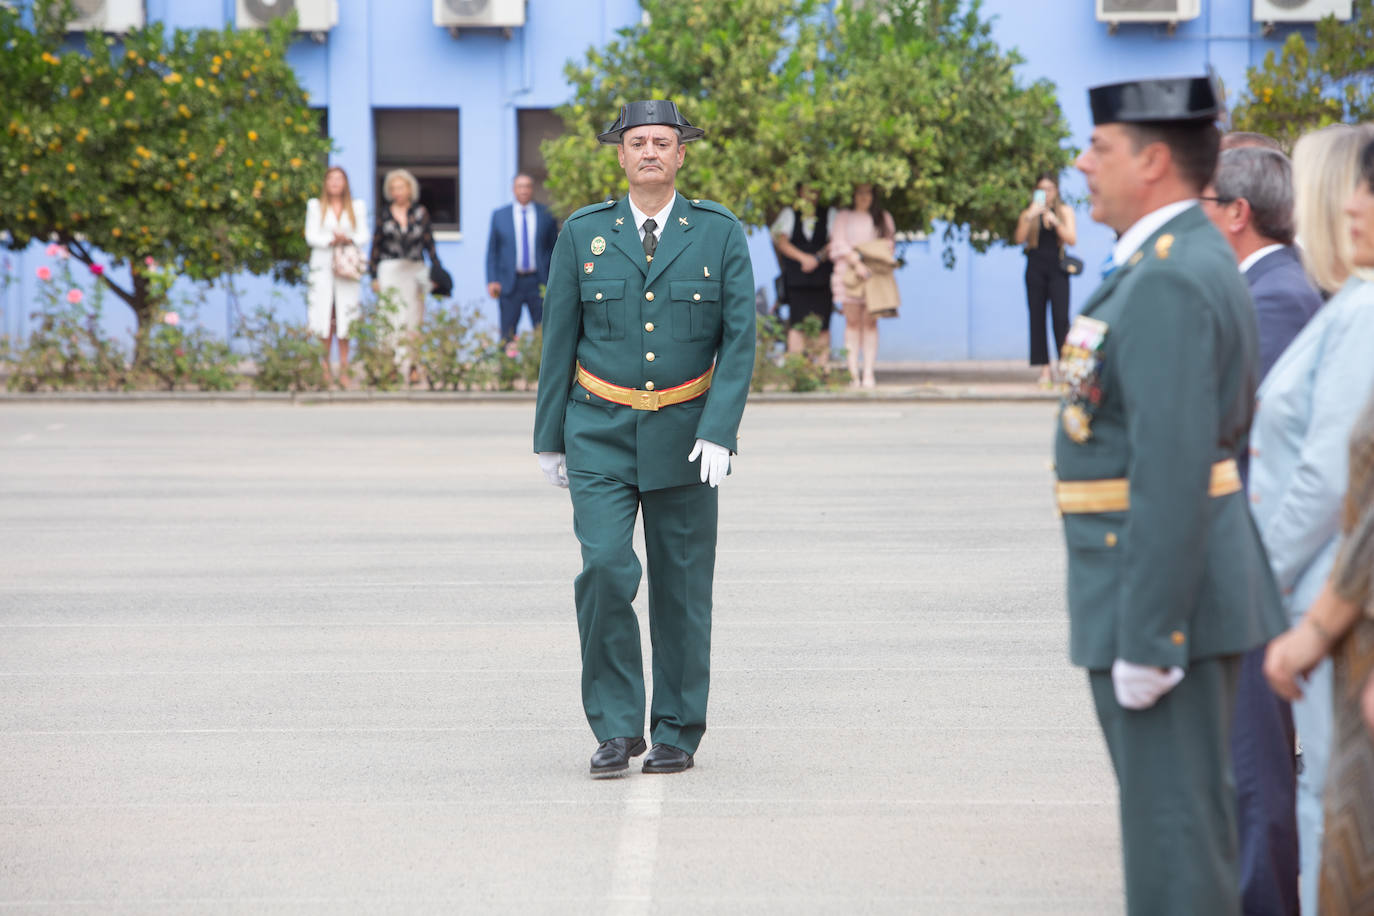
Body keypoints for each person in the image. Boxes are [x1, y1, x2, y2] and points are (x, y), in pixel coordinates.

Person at [1053, 74, 1286, 915]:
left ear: (1152, 161)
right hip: (1149, 591)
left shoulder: (1170, 275)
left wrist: (1152, 636)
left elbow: (1173, 466)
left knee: (1174, 852)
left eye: (1100, 148)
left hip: (1156, 605)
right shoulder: (1172, 258)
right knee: (1178, 836)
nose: (1084, 164)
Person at [532, 100, 754, 779]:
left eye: (663, 141)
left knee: (682, 588)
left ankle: (677, 730)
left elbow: (740, 340)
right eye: (638, 142)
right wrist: (550, 437)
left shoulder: (718, 233)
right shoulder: (583, 233)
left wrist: (720, 430)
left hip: (687, 435)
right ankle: (616, 725)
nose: (651, 151)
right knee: (603, 569)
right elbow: (559, 338)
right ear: (621, 156)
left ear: (681, 154)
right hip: (598, 427)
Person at [1247, 122, 1374, 916]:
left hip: (1326, 600)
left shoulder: (1361, 315)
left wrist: (1253, 578)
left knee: (1336, 811)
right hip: (1323, 594)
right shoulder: (1346, 307)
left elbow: (1330, 476)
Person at [1200, 142, 1318, 916]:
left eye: (1205, 203)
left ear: (1237, 214)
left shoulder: (1274, 295)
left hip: (1258, 568)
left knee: (1257, 768)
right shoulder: (1268, 284)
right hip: (1250, 565)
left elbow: (1248, 446)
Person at [369, 168, 437, 385]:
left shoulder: (420, 213)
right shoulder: (384, 214)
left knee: (413, 319)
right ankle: (390, 367)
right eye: (393, 188)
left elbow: (430, 244)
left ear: (410, 189)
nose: (397, 191)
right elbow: (376, 245)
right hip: (389, 270)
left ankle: (413, 366)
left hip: (414, 270)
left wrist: (436, 272)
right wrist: (373, 276)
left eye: (401, 187)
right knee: (389, 318)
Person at [305, 166, 369, 388]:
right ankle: (324, 367)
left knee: (345, 316)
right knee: (323, 316)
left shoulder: (356, 207)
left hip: (347, 267)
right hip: (323, 266)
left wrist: (347, 238)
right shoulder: (315, 206)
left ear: (345, 183)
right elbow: (311, 235)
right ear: (325, 182)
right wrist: (330, 240)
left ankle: (344, 367)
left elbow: (363, 234)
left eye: (339, 178)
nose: (335, 182)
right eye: (331, 178)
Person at [1014, 172, 1077, 387]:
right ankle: (1044, 370)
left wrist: (1056, 221)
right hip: (1035, 268)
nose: (1046, 193)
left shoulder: (1065, 211)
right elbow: (1019, 239)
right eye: (1041, 189)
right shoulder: (1029, 213)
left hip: (1058, 269)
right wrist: (1030, 215)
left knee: (1061, 319)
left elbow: (1072, 239)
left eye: (1049, 189)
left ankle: (1065, 367)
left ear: (1056, 191)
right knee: (1037, 318)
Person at [828, 184, 894, 388]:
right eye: (860, 192)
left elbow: (887, 246)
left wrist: (863, 256)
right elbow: (837, 244)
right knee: (853, 323)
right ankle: (852, 373)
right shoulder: (843, 217)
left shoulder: (883, 218)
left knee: (871, 323)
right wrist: (856, 262)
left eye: (868, 193)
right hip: (849, 276)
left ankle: (868, 373)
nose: (864, 197)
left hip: (875, 276)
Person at [486, 173, 558, 342]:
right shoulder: (500, 216)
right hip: (510, 283)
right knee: (507, 333)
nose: (524, 190)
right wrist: (492, 280)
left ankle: (540, 368)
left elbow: (554, 249)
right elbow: (492, 251)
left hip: (539, 282)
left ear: (532, 189)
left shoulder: (546, 214)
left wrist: (554, 280)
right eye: (520, 186)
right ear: (513, 189)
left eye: (527, 186)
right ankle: (506, 366)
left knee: (543, 331)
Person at [771, 187, 835, 356]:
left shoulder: (829, 213)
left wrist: (817, 258)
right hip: (797, 280)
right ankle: (797, 368)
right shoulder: (789, 213)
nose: (811, 194)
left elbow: (836, 240)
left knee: (823, 325)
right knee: (797, 324)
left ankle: (820, 369)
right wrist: (803, 258)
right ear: (799, 192)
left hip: (823, 279)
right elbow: (780, 240)